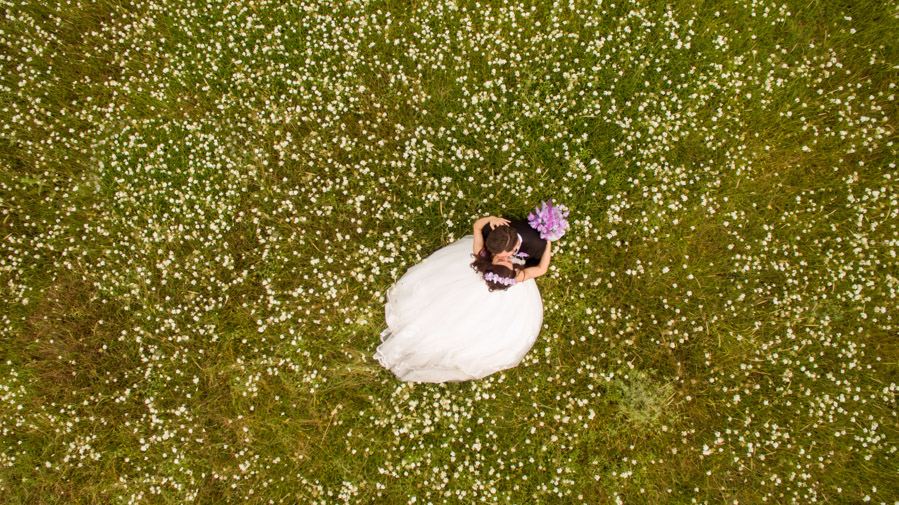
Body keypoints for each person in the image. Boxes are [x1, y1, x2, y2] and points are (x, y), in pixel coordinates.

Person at [373, 215, 553, 383]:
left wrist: (490, 220)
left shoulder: (481, 255)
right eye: (506, 259)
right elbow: (541, 269)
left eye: (503, 258)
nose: (507, 257)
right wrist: (548, 243)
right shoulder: (514, 277)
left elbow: (477, 228)